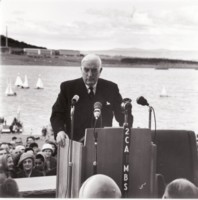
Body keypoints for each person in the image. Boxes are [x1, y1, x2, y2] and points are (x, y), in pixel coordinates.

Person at [50, 54, 133, 146]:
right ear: (81, 69)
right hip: (74, 144)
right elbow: (57, 114)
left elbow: (123, 117)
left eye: (94, 70)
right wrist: (59, 131)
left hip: (103, 144)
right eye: (86, 70)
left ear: (100, 70)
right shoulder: (68, 88)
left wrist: (125, 131)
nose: (90, 74)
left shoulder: (111, 88)